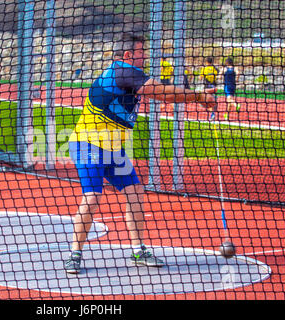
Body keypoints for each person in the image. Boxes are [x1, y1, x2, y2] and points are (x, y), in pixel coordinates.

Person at [65, 33, 217, 274]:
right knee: (93, 196)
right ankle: (75, 254)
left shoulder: (125, 74)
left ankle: (138, 250)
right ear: (128, 55)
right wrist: (198, 96)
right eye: (141, 52)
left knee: (135, 193)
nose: (144, 57)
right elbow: (161, 93)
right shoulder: (124, 71)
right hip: (88, 144)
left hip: (113, 147)